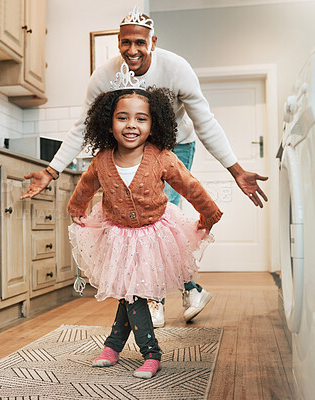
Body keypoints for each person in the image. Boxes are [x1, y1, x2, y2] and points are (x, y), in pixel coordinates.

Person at [20, 6, 267, 326]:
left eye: (139, 42)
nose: (132, 50)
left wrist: (236, 170)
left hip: (173, 144)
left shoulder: (177, 68)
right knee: (137, 223)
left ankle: (155, 300)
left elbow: (205, 122)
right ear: (118, 42)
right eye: (125, 43)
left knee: (161, 217)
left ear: (153, 42)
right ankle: (190, 289)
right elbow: (82, 127)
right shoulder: (104, 76)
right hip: (130, 146)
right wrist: (51, 171)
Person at [66, 64, 222, 379]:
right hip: (117, 235)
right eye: (122, 117)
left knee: (134, 293)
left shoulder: (162, 156)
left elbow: (190, 187)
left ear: (154, 124)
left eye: (141, 118)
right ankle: (114, 344)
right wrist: (76, 208)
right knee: (129, 291)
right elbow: (84, 187)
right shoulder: (101, 161)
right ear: (108, 123)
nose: (131, 125)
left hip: (154, 234)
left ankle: (150, 352)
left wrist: (209, 214)